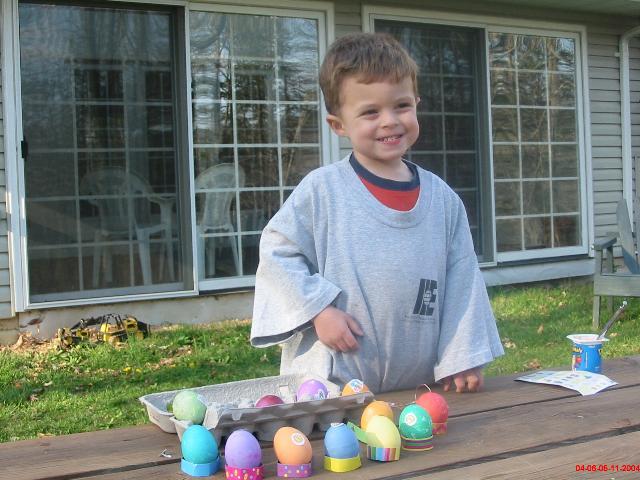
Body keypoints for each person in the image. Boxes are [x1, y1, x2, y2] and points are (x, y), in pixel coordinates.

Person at [250, 32, 503, 394]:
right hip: (332, 386)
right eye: (371, 112)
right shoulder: (323, 191)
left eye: (401, 106)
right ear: (339, 124)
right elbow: (277, 252)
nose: (389, 121)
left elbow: (463, 279)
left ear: (416, 104)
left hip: (417, 390)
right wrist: (318, 310)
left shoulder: (443, 201)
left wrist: (462, 356)